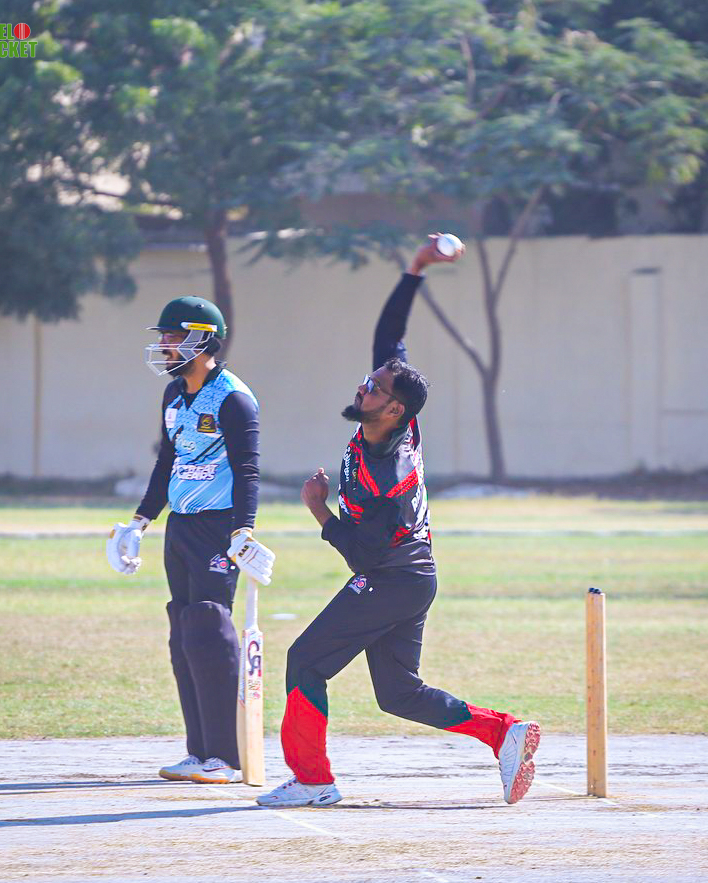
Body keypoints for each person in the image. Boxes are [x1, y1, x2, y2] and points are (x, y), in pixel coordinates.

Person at [256, 236, 540, 809]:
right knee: (398, 693)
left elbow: (362, 555)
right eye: (370, 380)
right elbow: (389, 339)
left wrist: (319, 510)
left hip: (390, 579)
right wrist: (416, 268)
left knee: (305, 661)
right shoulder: (396, 419)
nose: (363, 386)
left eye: (375, 388)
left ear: (393, 409)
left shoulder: (387, 473)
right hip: (411, 578)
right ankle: (503, 733)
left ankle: (312, 780)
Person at [106, 296, 274, 784]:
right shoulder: (174, 395)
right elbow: (167, 463)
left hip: (218, 527)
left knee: (207, 625)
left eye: (172, 336)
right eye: (163, 336)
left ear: (203, 340)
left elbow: (248, 469)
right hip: (180, 526)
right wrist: (140, 521)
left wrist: (244, 529)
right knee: (183, 633)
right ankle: (199, 752)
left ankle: (226, 756)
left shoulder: (233, 398)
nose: (163, 345)